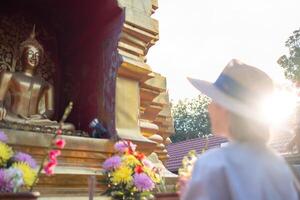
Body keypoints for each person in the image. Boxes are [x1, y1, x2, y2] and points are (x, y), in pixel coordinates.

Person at [181, 59, 299, 200]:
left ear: (225, 109)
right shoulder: (279, 166)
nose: (209, 107)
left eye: (213, 100)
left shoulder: (214, 164)